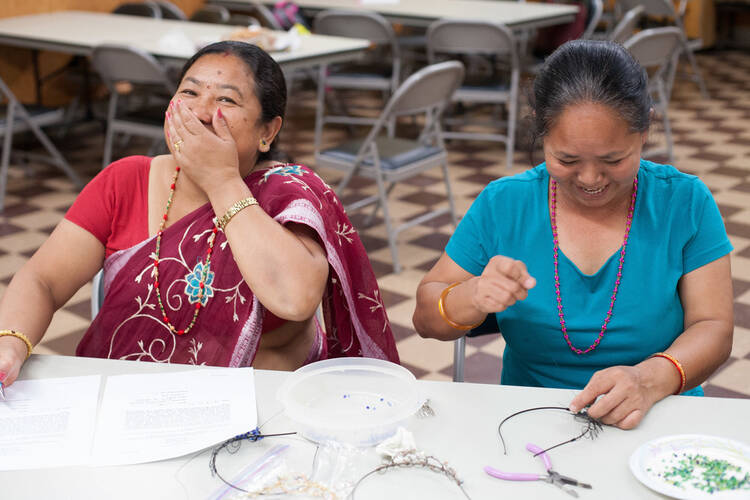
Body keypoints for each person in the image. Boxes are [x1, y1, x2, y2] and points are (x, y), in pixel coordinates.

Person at [0, 41, 399, 389]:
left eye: (227, 100)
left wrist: (222, 180)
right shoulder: (126, 181)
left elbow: (294, 300)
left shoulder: (290, 196)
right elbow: (42, 280)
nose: (202, 112)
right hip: (131, 402)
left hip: (257, 415)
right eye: (189, 92)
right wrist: (10, 345)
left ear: (268, 132)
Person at [413, 40, 733, 430]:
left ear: (645, 130)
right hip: (532, 420)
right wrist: (473, 294)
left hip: (658, 413)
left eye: (613, 160)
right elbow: (427, 319)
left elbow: (714, 327)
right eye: (566, 160)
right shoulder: (505, 204)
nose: (591, 179)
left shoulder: (683, 202)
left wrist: (651, 380)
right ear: (541, 132)